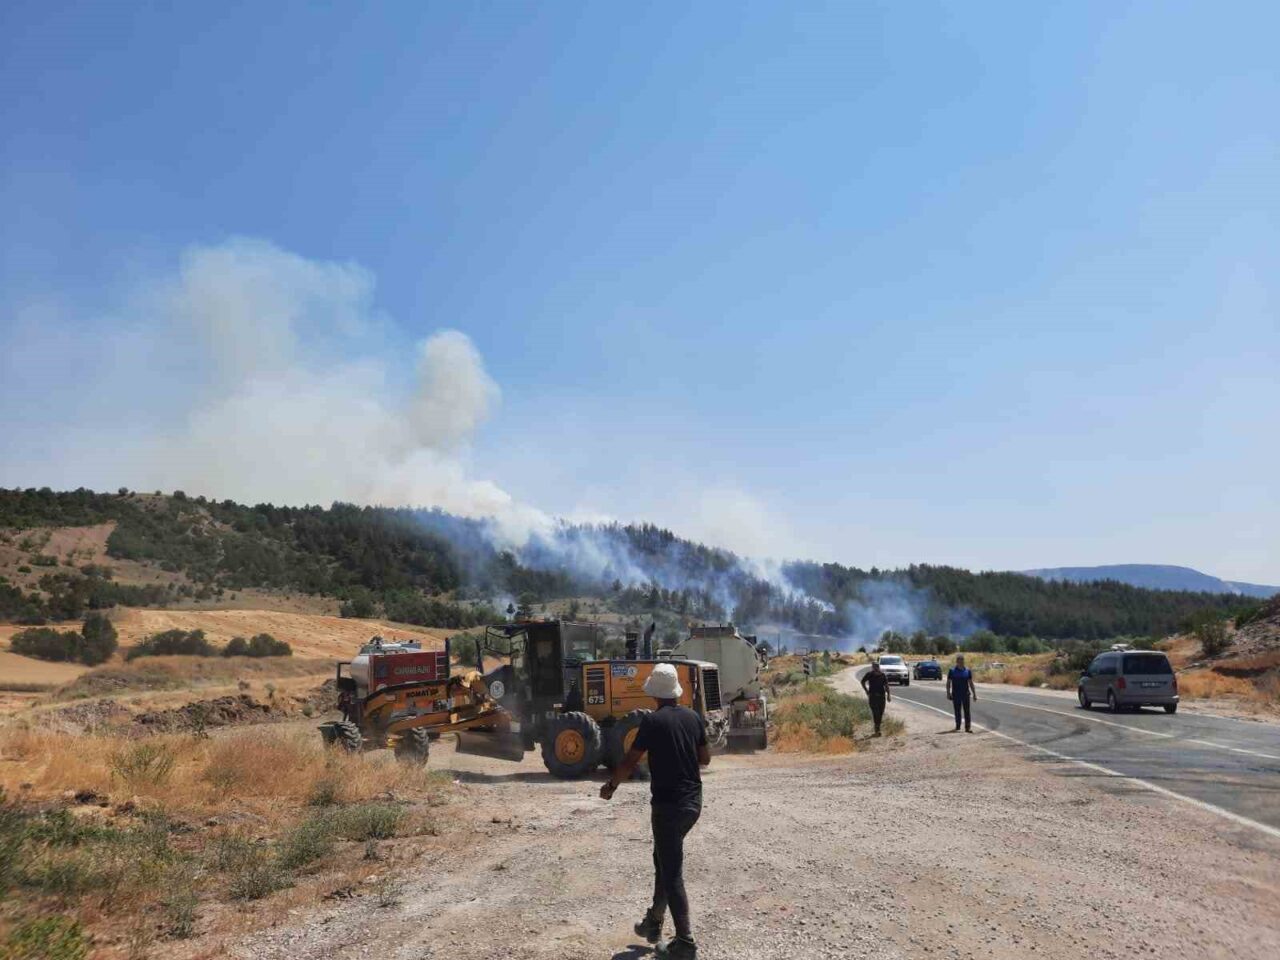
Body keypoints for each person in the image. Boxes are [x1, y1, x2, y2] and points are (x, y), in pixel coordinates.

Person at [600, 663, 710, 959]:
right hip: (693, 804)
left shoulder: (651, 722)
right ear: (675, 691)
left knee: (671, 870)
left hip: (667, 805)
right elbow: (706, 759)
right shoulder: (693, 717)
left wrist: (611, 786)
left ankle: (685, 943)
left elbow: (629, 761)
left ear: (655, 694)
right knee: (663, 858)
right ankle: (653, 922)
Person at [860, 660, 892, 736]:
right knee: (876, 713)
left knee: (881, 713)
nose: (876, 667)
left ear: (879, 667)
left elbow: (886, 685)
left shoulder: (883, 675)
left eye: (877, 666)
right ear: (872, 667)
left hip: (882, 697)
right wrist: (866, 691)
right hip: (873, 697)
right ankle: (877, 729)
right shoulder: (869, 674)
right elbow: (862, 682)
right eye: (874, 666)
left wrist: (889, 695)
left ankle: (878, 727)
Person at [946, 654, 977, 732]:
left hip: (966, 694)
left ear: (964, 661)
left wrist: (974, 694)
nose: (961, 662)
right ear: (956, 662)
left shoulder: (967, 671)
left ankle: (968, 727)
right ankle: (958, 726)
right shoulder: (952, 671)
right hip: (956, 694)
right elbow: (948, 683)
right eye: (959, 660)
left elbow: (970, 683)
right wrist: (948, 693)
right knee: (957, 711)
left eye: (962, 660)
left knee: (967, 711)